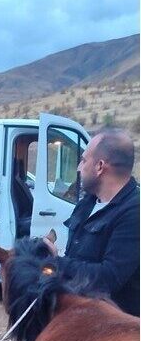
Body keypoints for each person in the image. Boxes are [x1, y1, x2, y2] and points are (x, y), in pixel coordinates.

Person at [48, 128, 139, 316]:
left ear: (100, 166)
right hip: (78, 318)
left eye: (83, 160)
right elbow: (76, 258)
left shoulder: (134, 213)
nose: (78, 168)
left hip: (114, 332)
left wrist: (56, 263)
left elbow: (108, 278)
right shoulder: (86, 204)